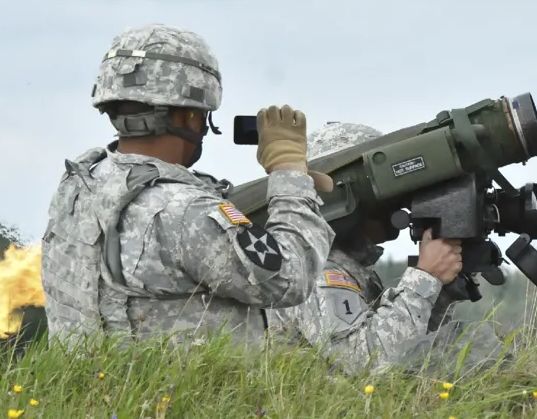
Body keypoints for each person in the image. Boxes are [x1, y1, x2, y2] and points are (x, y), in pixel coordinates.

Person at [40, 22, 336, 348]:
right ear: (189, 116)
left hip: (97, 393)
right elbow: (291, 279)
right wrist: (289, 174)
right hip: (193, 398)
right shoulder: (186, 211)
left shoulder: (77, 188)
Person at [268, 122, 513, 378]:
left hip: (350, 406)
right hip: (327, 411)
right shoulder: (317, 270)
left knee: (460, 344)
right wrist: (425, 278)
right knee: (470, 346)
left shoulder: (348, 266)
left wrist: (438, 295)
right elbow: (365, 361)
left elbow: (402, 345)